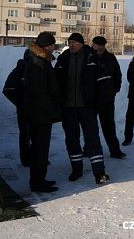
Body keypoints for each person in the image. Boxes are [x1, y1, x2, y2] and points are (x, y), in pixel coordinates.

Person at [55, 32, 109, 185]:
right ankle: (76, 169)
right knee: (72, 139)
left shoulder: (92, 57)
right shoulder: (63, 58)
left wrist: (98, 102)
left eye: (74, 42)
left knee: (92, 139)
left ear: (81, 43)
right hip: (69, 108)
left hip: (87, 107)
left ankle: (99, 173)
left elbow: (104, 82)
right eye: (69, 42)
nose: (71, 45)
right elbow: (56, 82)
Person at [23, 32, 61, 193]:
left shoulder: (39, 60)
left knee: (41, 149)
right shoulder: (38, 63)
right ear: (46, 46)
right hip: (40, 114)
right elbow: (40, 92)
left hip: (39, 113)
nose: (54, 47)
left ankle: (39, 179)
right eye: (52, 45)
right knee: (40, 149)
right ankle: (37, 182)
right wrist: (52, 110)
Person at [91, 36, 125, 159]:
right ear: (93, 44)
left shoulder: (110, 58)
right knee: (90, 128)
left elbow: (118, 75)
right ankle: (89, 150)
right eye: (98, 44)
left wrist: (114, 90)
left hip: (107, 99)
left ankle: (115, 150)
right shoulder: (88, 57)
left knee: (109, 127)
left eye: (102, 44)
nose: (100, 47)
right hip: (91, 99)